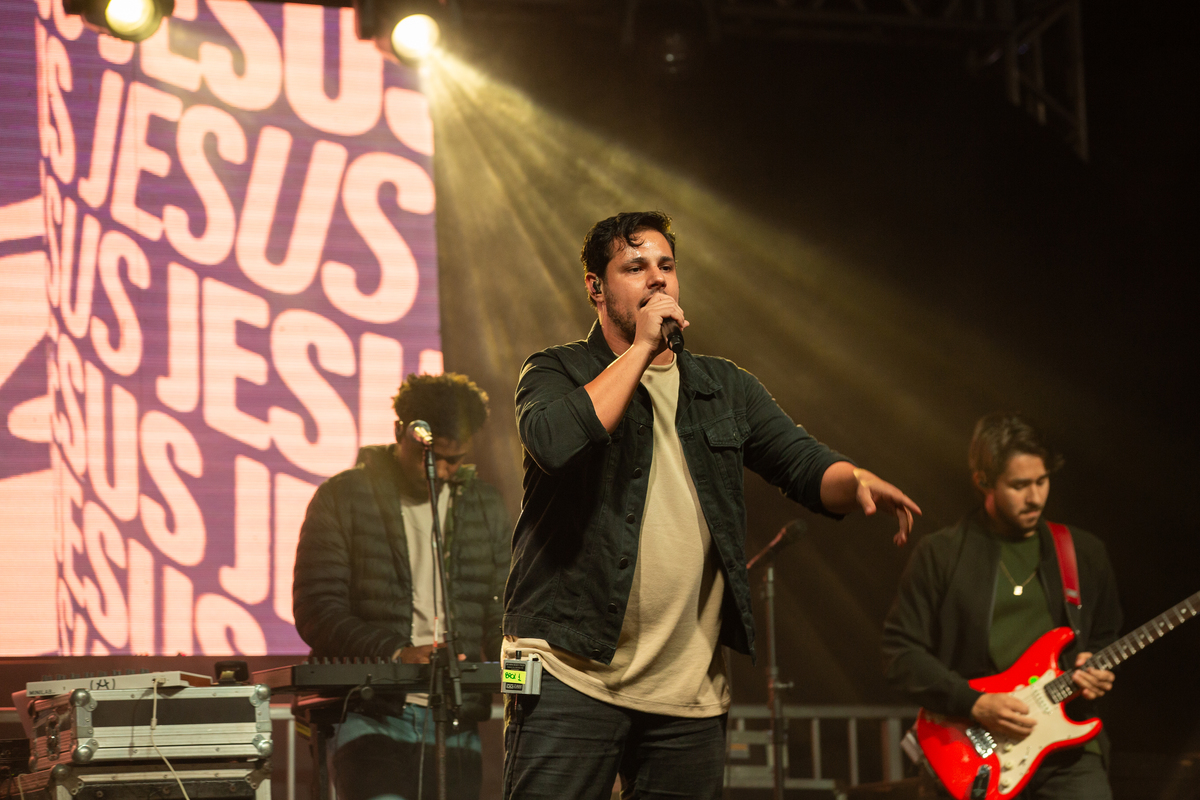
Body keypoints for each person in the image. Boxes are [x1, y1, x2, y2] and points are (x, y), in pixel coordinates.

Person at [501, 210, 922, 799]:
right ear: (596, 287)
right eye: (635, 267)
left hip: (686, 692)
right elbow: (553, 442)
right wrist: (642, 348)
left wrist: (852, 482)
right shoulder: (555, 369)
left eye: (667, 266)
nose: (657, 278)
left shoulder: (724, 388)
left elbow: (803, 464)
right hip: (570, 673)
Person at [293, 373, 511, 800]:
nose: (442, 471)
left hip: (454, 717)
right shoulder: (342, 497)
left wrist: (514, 662)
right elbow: (317, 609)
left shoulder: (483, 505)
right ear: (400, 432)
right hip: (369, 710)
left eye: (455, 460)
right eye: (432, 458)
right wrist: (397, 652)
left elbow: (501, 609)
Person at [883, 412, 1123, 799]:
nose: (1035, 497)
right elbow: (900, 653)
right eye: (1019, 485)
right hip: (976, 752)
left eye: (1042, 481)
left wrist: (1095, 666)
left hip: (1069, 755)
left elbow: (1105, 635)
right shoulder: (940, 554)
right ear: (983, 482)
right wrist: (974, 703)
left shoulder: (1084, 552)